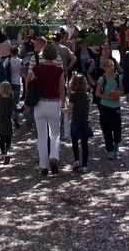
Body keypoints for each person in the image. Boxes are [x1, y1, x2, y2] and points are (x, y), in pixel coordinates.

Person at [26, 42, 65, 176]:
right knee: (54, 134)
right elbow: (61, 89)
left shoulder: (37, 69)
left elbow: (32, 82)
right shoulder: (59, 70)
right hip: (53, 103)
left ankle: (43, 165)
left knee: (42, 136)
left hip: (40, 104)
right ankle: (54, 156)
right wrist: (62, 102)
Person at [94, 57, 123, 158]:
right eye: (109, 66)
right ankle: (109, 149)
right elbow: (97, 93)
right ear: (105, 68)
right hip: (105, 105)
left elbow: (122, 90)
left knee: (117, 126)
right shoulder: (102, 78)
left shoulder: (118, 77)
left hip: (116, 105)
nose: (111, 68)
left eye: (112, 65)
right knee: (106, 128)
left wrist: (117, 93)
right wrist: (107, 97)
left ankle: (117, 142)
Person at [64, 73, 93, 171]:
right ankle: (84, 165)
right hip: (84, 121)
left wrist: (61, 110)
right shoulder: (87, 95)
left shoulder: (73, 96)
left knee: (75, 142)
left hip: (75, 122)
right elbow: (89, 109)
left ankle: (76, 161)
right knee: (85, 144)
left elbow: (69, 110)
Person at [0, 81, 15, 164]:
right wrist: (24, 107)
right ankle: (8, 151)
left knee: (2, 138)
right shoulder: (11, 100)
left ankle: (3, 152)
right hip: (8, 121)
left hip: (0, 120)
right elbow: (16, 109)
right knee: (8, 139)